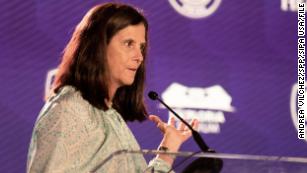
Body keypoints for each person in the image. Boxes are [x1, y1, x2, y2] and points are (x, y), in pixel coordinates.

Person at [27, 2, 198, 173]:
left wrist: (169, 147)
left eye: (142, 47)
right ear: (98, 46)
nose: (139, 57)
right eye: (128, 43)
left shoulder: (108, 113)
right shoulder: (69, 110)